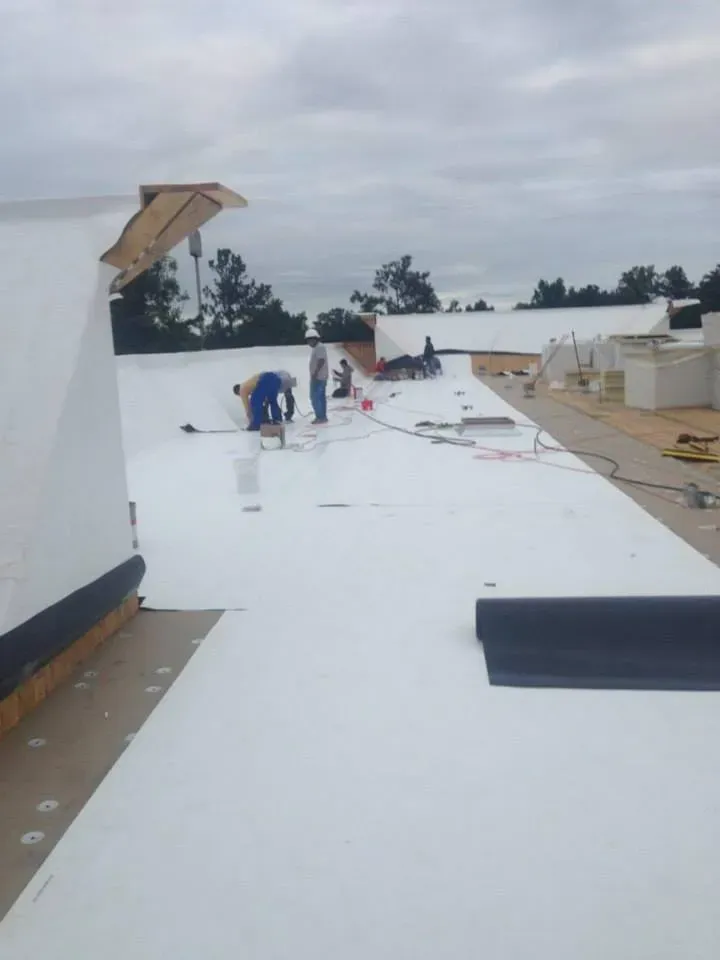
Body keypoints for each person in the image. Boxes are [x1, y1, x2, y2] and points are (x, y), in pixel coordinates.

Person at [305, 328, 328, 424]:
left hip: (318, 377)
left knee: (315, 397)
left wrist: (315, 373)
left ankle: (320, 417)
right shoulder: (318, 347)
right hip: (319, 377)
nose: (308, 343)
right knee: (320, 397)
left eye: (309, 340)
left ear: (313, 339)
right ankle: (322, 417)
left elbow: (321, 360)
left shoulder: (319, 347)